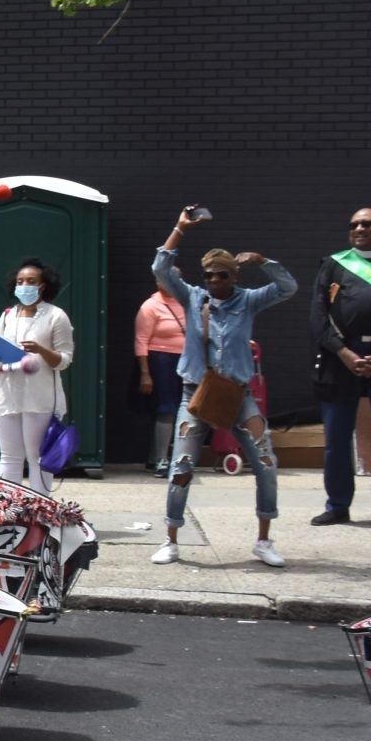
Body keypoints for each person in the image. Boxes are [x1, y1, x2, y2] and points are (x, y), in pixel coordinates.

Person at [151, 213, 295, 567]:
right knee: (182, 466)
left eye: (222, 274)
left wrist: (263, 261)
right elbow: (160, 268)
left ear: (234, 275)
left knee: (266, 463)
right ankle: (171, 538)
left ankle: (263, 540)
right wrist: (181, 228)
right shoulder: (193, 298)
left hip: (237, 394)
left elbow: (288, 287)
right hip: (195, 395)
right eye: (209, 275)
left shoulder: (248, 300)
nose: (215, 280)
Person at [309, 206, 371, 525]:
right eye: (354, 224)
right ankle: (338, 505)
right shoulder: (333, 266)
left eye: (367, 224)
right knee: (337, 441)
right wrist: (345, 354)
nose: (359, 229)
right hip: (340, 363)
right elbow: (318, 318)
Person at [0, 257, 75, 492]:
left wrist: (40, 350)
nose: (24, 286)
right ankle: (8, 510)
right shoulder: (8, 315)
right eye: (20, 281)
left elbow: (64, 360)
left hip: (40, 398)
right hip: (7, 393)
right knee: (9, 456)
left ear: (43, 285)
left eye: (30, 281)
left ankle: (40, 513)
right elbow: (2, 352)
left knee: (37, 457)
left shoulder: (56, 316)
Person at [133, 285, 187, 474]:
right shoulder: (150, 306)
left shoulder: (185, 302)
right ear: (158, 282)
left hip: (184, 361)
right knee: (166, 409)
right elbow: (140, 340)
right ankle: (162, 461)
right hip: (161, 360)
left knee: (181, 409)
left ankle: (154, 457)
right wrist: (145, 373)